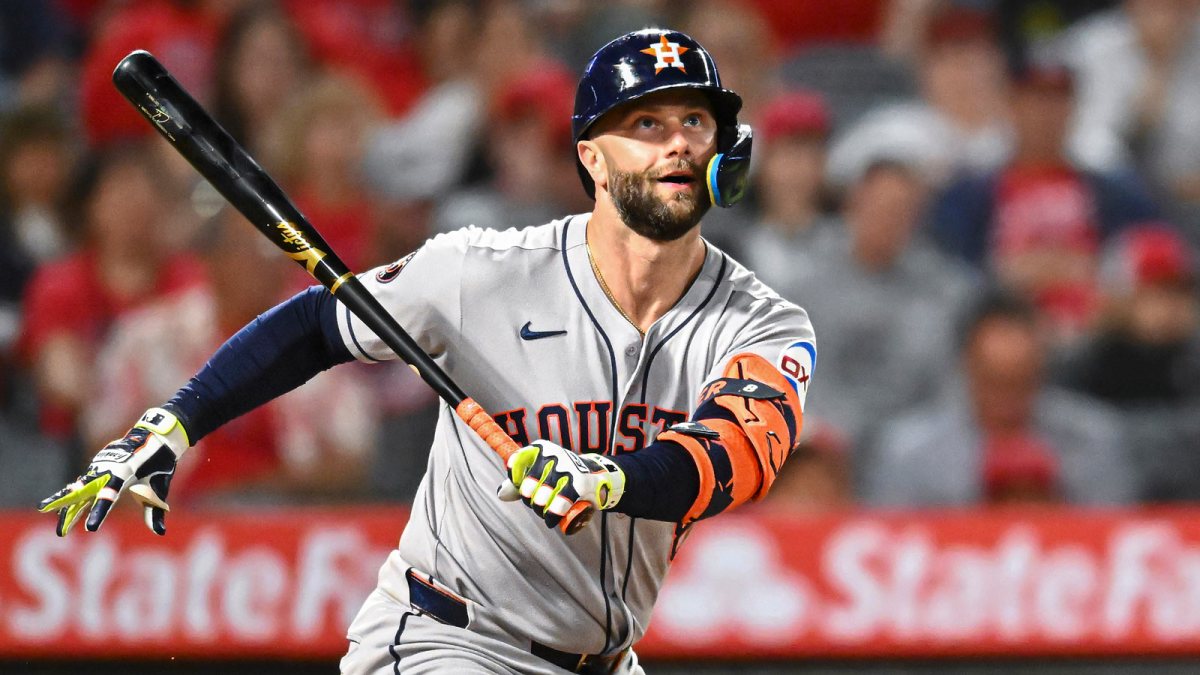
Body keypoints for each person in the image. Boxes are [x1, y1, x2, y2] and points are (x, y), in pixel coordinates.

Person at [39, 29, 814, 674]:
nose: (678, 142)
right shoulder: (482, 271)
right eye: (647, 124)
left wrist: (605, 477)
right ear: (592, 159)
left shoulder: (760, 322)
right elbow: (317, 321)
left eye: (696, 122)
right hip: (450, 639)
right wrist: (176, 421)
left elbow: (731, 456)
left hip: (606, 657)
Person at [863, 291, 1134, 507]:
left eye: (1021, 381)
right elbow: (889, 545)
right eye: (994, 381)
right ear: (966, 367)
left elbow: (1114, 538)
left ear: (1042, 370)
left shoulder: (1094, 439)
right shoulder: (908, 453)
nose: (1007, 397)